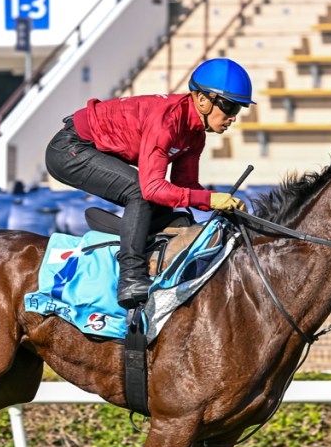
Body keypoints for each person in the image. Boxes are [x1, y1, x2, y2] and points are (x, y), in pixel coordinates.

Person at [45, 58, 253, 309]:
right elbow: (151, 188)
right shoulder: (167, 120)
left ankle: (145, 257)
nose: (232, 118)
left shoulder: (195, 135)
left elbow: (184, 185)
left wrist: (220, 203)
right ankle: (131, 277)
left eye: (238, 110)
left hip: (91, 149)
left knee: (174, 215)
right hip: (69, 149)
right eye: (230, 108)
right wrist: (209, 199)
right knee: (140, 192)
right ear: (202, 100)